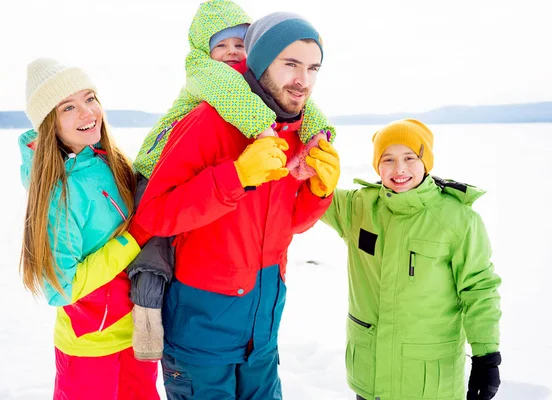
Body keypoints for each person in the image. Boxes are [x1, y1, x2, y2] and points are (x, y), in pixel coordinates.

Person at [127, 11, 340, 400]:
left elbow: (284, 227)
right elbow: (154, 214)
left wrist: (319, 193)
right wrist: (237, 176)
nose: (303, 80)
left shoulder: (295, 132)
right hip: (202, 338)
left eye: (313, 68)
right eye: (291, 64)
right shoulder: (207, 120)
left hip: (262, 335)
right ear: (258, 60)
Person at [320, 119, 502, 400]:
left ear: (426, 162)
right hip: (371, 376)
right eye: (388, 159)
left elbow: (479, 291)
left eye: (410, 158)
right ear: (377, 166)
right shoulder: (358, 207)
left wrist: (486, 357)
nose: (399, 169)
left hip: (429, 384)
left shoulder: (458, 220)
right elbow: (308, 191)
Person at [18, 58, 160, 400]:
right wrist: (132, 240)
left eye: (90, 98)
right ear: (50, 124)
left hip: (138, 328)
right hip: (90, 344)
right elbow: (59, 288)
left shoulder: (108, 160)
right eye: (69, 107)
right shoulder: (60, 192)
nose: (87, 113)